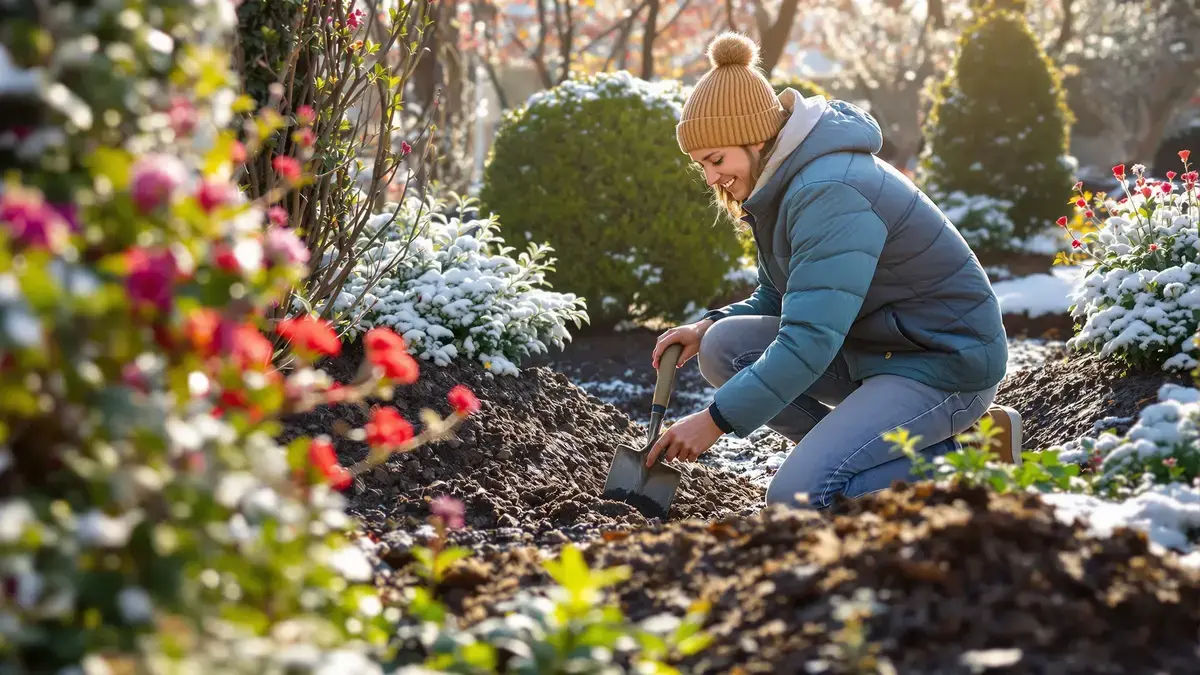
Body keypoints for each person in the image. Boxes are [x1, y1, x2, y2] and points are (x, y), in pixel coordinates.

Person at [645, 32, 1021, 510]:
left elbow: (808, 339)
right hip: (879, 352)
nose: (711, 178)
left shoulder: (831, 190)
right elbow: (783, 297)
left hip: (942, 366)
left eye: (716, 159)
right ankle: (852, 456)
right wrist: (707, 326)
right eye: (701, 165)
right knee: (723, 348)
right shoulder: (782, 185)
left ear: (757, 138)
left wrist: (715, 420)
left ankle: (970, 457)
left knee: (798, 497)